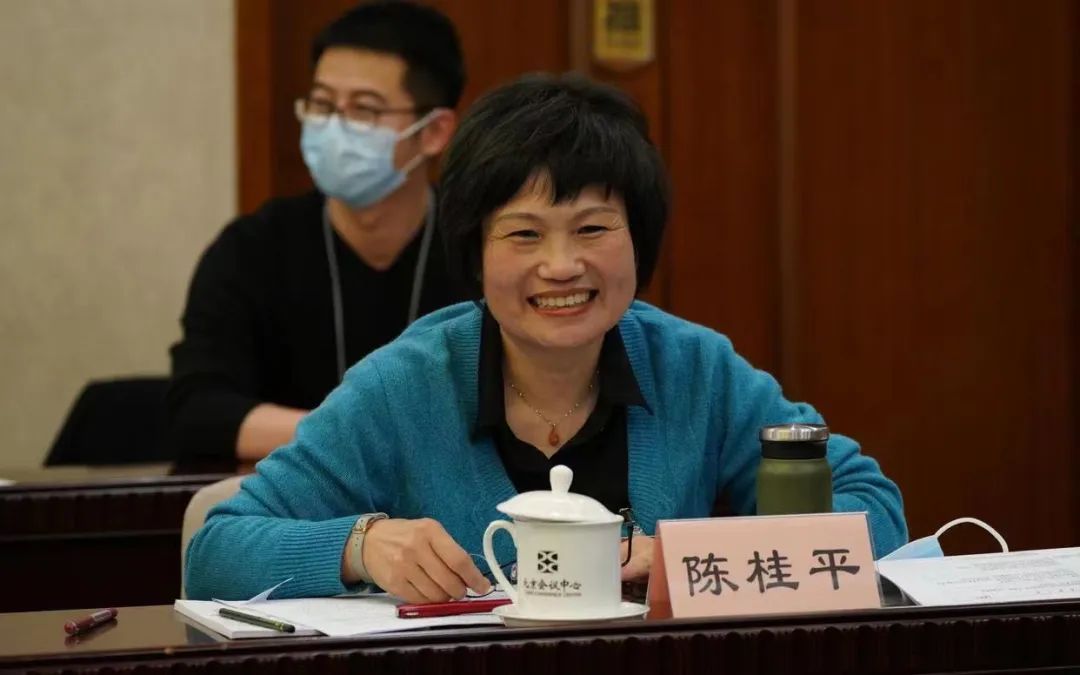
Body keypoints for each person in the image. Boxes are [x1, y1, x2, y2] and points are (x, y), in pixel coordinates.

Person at [184, 73, 907, 603]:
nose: (561, 266)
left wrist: (689, 557)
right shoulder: (403, 385)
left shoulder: (695, 369)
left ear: (639, 242)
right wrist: (362, 545)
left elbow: (874, 509)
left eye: (592, 228)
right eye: (524, 234)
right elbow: (217, 547)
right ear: (475, 255)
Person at [166, 0, 468, 461]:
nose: (335, 128)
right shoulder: (254, 249)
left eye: (364, 110)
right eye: (323, 105)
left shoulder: (479, 246)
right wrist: (358, 433)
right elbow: (198, 413)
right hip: (292, 496)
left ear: (433, 132)